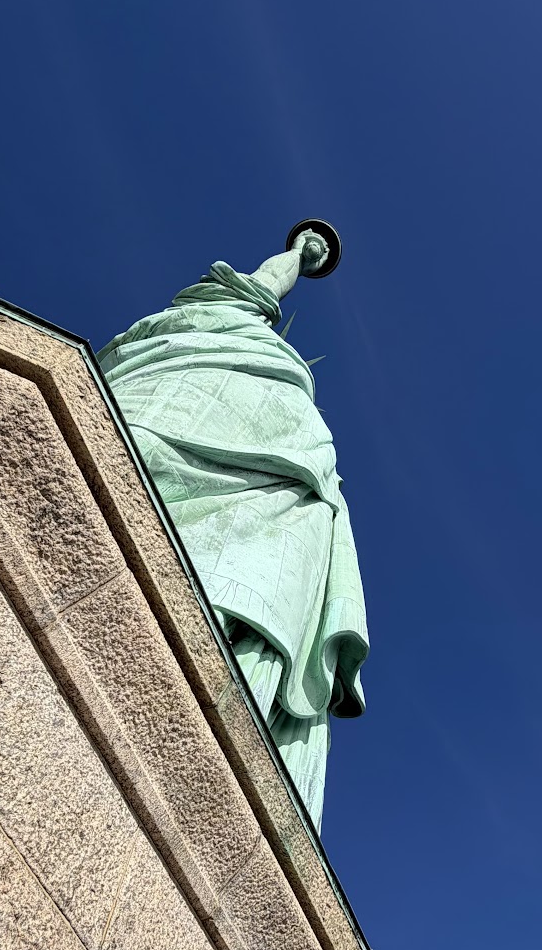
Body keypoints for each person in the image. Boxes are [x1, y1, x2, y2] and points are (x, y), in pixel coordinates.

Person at [98, 225, 368, 829]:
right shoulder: (223, 321)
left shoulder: (215, 325)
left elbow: (263, 286)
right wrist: (301, 254)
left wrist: (301, 254)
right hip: (214, 425)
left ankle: (221, 717)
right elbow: (264, 285)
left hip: (271, 458)